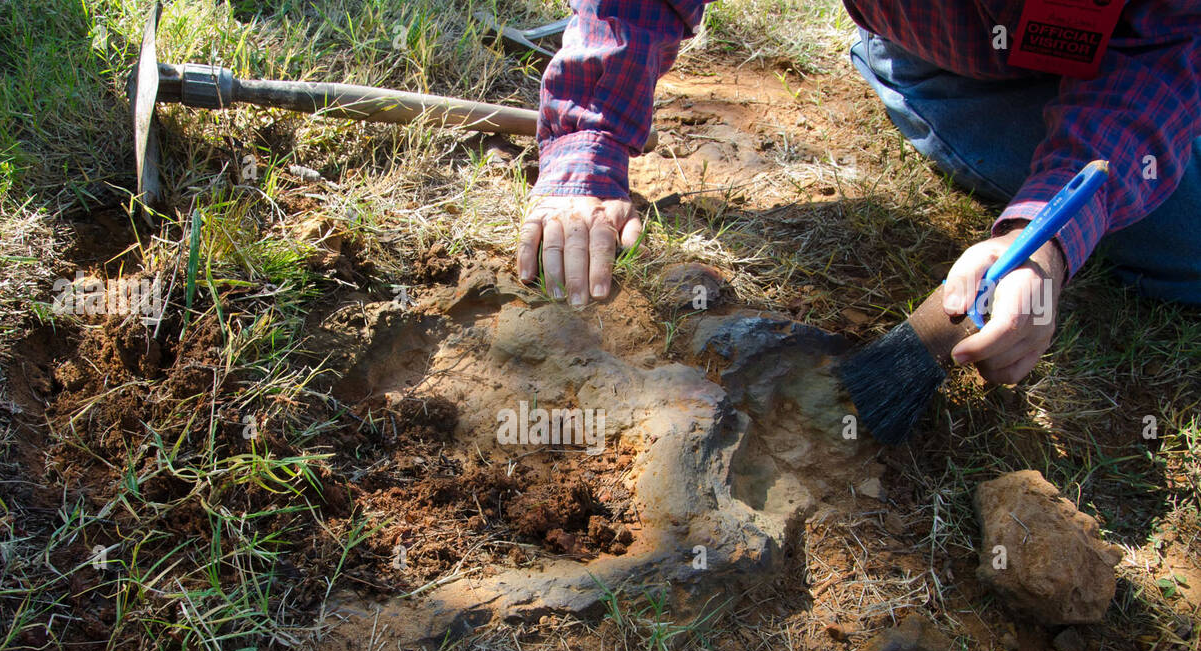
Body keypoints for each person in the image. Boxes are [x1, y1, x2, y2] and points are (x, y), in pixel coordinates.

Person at [515, 1, 1201, 384]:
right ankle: (919, 82)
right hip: (955, 67)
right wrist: (588, 141)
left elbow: (1160, 64)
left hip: (1126, 61)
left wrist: (1045, 237)